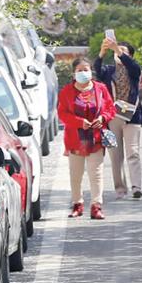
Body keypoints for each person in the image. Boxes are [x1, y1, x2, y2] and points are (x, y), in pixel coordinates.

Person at [57, 57, 117, 220]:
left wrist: (102, 119)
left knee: (96, 173)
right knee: (75, 174)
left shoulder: (101, 89)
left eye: (86, 69)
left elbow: (111, 108)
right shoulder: (67, 91)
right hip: (76, 139)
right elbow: (62, 114)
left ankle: (96, 206)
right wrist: (79, 122)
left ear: (91, 71)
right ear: (74, 73)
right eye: (79, 70)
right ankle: (77, 204)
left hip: (96, 137)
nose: (83, 73)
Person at [94, 38, 142, 200]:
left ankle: (136, 187)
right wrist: (102, 53)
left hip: (132, 116)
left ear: (130, 55)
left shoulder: (134, 69)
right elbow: (97, 71)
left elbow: (133, 67)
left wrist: (118, 50)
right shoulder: (109, 71)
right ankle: (120, 189)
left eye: (124, 52)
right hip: (113, 116)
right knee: (115, 155)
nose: (118, 53)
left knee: (133, 152)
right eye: (117, 51)